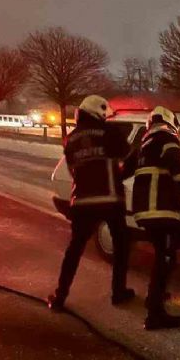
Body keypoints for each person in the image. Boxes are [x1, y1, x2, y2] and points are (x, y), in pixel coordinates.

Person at [48, 95, 136, 312]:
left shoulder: (71, 139)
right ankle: (118, 292)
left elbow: (72, 169)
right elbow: (129, 155)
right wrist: (121, 175)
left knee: (74, 249)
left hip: (82, 202)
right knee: (121, 246)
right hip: (110, 200)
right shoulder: (110, 133)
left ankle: (60, 296)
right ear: (100, 114)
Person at [132, 105, 180, 330]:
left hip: (147, 211)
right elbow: (178, 167)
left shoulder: (145, 143)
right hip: (160, 211)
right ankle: (155, 315)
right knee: (166, 259)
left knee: (163, 256)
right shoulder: (166, 138)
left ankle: (154, 297)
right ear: (171, 122)